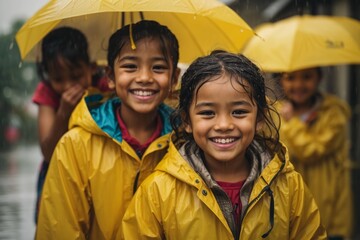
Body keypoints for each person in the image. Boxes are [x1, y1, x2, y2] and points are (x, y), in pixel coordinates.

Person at [121, 50, 327, 239]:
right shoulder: (159, 190)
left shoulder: (289, 186)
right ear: (186, 121)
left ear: (260, 119)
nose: (224, 125)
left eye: (238, 112)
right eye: (207, 113)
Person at [35, 20, 180, 239]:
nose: (143, 77)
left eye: (158, 67)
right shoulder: (75, 146)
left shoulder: (184, 144)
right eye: (130, 66)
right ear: (110, 76)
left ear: (174, 79)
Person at [32, 26, 110, 222]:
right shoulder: (47, 93)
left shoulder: (105, 86)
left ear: (92, 67)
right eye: (58, 79)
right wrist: (63, 113)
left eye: (75, 76)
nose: (67, 86)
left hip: (99, 167)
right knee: (56, 221)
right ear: (48, 75)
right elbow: (48, 152)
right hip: (57, 171)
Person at [276, 67, 353, 239]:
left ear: (319, 78)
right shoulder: (276, 113)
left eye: (307, 77)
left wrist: (291, 123)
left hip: (328, 206)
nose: (298, 84)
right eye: (290, 78)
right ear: (281, 80)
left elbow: (313, 151)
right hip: (289, 205)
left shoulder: (333, 112)